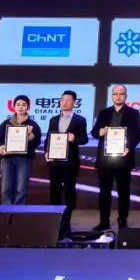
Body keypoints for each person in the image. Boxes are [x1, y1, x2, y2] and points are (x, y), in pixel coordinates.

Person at [91, 84, 140, 231]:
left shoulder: (133, 113)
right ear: (112, 96)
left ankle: (122, 220)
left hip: (124, 158)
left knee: (123, 191)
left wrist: (129, 147)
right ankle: (104, 221)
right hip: (105, 159)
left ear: (126, 96)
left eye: (121, 94)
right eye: (115, 94)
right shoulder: (104, 113)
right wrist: (100, 132)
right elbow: (94, 132)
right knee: (104, 191)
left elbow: (138, 133)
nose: (118, 96)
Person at [43, 90, 89, 236]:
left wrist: (74, 138)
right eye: (62, 100)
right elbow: (48, 139)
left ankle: (66, 224)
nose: (64, 102)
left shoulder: (80, 120)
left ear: (74, 103)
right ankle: (54, 223)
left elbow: (84, 139)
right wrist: (46, 152)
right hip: (55, 161)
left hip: (70, 162)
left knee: (68, 192)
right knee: (54, 191)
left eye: (68, 100)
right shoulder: (53, 119)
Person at [0, 94, 41, 205]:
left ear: (28, 107)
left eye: (24, 105)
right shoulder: (6, 124)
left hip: (24, 159)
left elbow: (37, 142)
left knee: (21, 188)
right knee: (6, 188)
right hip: (7, 159)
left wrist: (29, 135)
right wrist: (3, 149)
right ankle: (6, 212)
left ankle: (18, 212)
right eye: (18, 104)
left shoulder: (33, 125)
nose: (20, 107)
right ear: (13, 107)